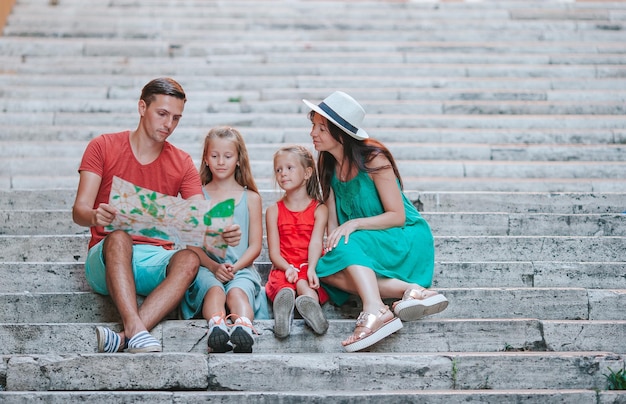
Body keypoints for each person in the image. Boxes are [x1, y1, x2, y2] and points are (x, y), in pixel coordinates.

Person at [72, 77, 241, 354]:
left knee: (187, 258)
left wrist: (223, 231)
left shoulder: (182, 162)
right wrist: (94, 216)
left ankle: (126, 337)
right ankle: (136, 330)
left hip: (154, 259)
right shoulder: (102, 146)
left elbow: (200, 218)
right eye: (162, 114)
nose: (169, 124)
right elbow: (79, 211)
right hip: (106, 257)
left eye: (176, 118)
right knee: (119, 237)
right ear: (142, 107)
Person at [302, 91, 449, 352]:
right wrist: (334, 245)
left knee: (348, 240)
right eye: (313, 126)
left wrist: (355, 224)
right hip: (365, 244)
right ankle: (412, 291)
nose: (313, 133)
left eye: (321, 128)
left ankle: (374, 309)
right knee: (325, 271)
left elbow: (397, 216)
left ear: (340, 133)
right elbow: (334, 220)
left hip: (403, 237)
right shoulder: (328, 165)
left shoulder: (374, 159)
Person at [180, 126, 269, 353]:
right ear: (206, 159)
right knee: (214, 290)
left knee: (237, 291)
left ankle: (243, 326)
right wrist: (213, 266)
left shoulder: (251, 198)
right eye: (214, 156)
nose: (221, 161)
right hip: (206, 268)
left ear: (239, 160)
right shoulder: (197, 195)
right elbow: (192, 246)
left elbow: (255, 245)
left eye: (228, 156)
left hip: (241, 268)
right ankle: (217, 326)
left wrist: (234, 267)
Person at [265, 145, 330, 338]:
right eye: (278, 169)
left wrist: (311, 268)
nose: (283, 173)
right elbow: (274, 253)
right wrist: (287, 268)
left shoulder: (319, 209)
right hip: (284, 267)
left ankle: (314, 312)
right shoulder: (273, 211)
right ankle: (282, 315)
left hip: (310, 265)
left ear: (307, 172)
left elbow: (316, 243)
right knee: (285, 287)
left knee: (304, 283)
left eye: (289, 168)